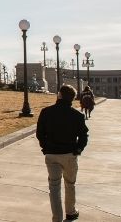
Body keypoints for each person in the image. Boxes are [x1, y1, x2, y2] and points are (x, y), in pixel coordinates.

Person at [37, 84, 89, 222]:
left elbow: (40, 134)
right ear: (72, 98)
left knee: (54, 187)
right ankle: (71, 212)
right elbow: (84, 135)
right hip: (69, 154)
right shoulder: (77, 115)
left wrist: (45, 147)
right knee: (70, 184)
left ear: (59, 95)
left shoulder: (46, 112)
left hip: (52, 154)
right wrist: (78, 149)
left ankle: (57, 218)